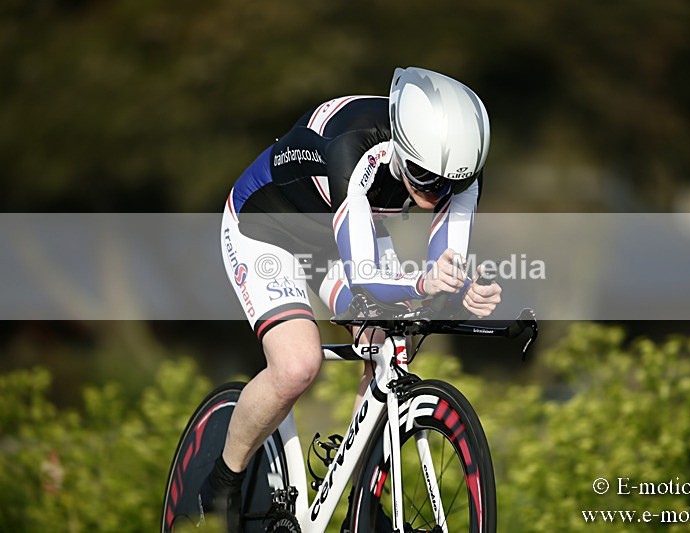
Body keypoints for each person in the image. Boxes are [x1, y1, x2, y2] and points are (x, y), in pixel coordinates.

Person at [202, 66, 502, 532]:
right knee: (297, 364)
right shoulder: (353, 146)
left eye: (449, 184)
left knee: (386, 342)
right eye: (423, 176)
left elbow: (446, 264)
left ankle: (360, 502)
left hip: (338, 234)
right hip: (265, 230)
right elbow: (365, 277)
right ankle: (223, 480)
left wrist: (464, 289)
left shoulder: (459, 171)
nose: (436, 193)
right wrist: (424, 284)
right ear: (401, 147)